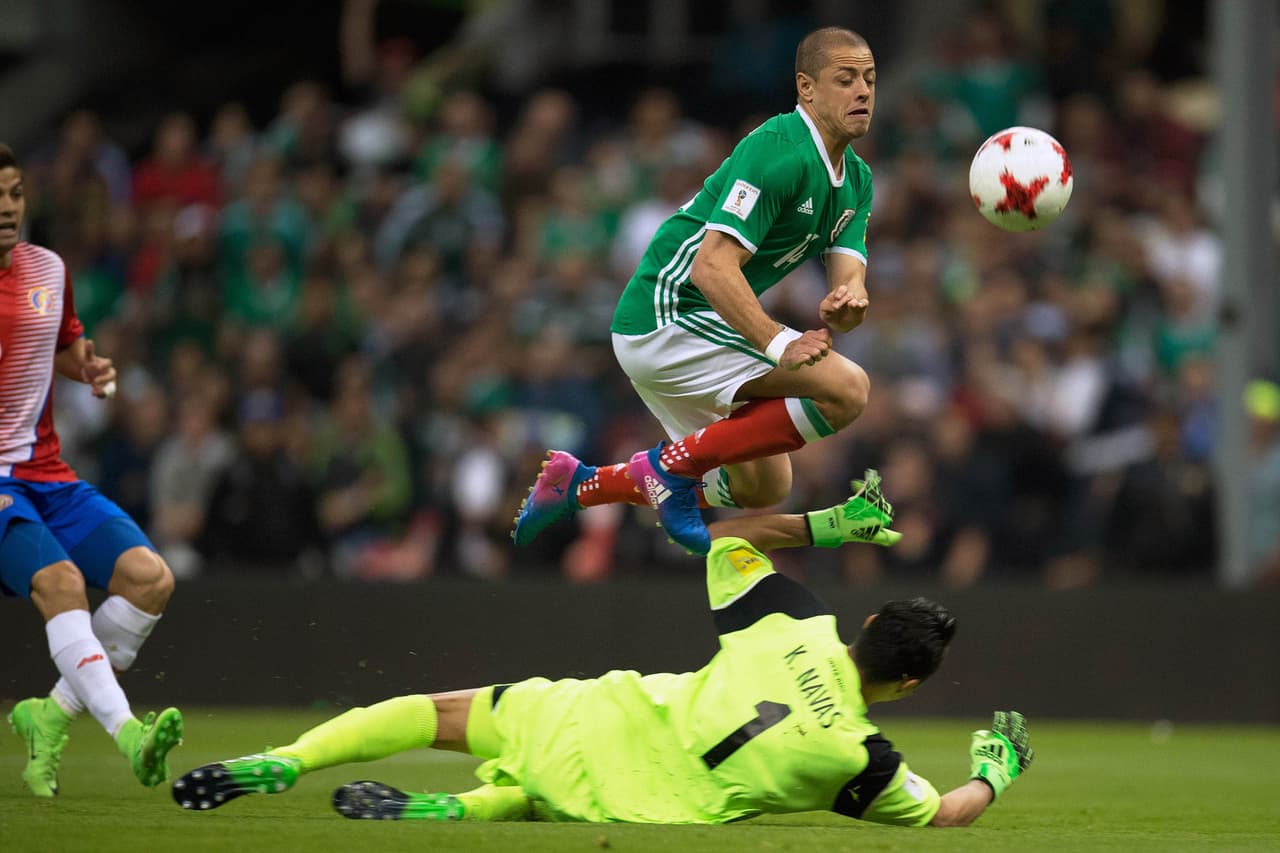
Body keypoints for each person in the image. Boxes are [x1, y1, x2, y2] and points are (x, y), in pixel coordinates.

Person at [173, 475, 1034, 827]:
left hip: (598, 713)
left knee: (433, 715)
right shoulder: (864, 757)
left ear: (868, 619)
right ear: (910, 681)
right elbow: (945, 813)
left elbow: (731, 535)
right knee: (541, 798)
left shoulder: (792, 619)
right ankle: (452, 814)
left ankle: (285, 760)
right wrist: (996, 767)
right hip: (634, 811)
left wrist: (831, 523)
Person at [513, 27, 882, 556]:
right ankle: (671, 469)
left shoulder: (858, 179)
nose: (863, 91)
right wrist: (779, 342)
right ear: (806, 87)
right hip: (666, 314)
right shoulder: (777, 151)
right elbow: (711, 267)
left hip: (702, 326)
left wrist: (849, 302)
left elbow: (848, 277)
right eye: (845, 79)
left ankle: (582, 485)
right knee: (848, 388)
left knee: (765, 486)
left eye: (869, 79)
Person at [0, 143, 183, 796]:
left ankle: (48, 713)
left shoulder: (47, 267)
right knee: (63, 581)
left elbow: (64, 344)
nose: (6, 206)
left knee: (149, 579)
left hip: (48, 473)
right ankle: (130, 733)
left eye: (16, 193)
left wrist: (89, 366)